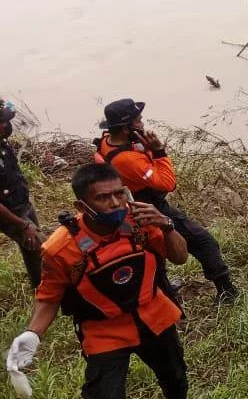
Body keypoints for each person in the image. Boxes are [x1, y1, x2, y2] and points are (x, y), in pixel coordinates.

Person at [4, 163, 197, 399]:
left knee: (176, 377)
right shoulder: (60, 248)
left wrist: (166, 225)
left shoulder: (140, 223)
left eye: (120, 193)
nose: (116, 203)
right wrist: (31, 334)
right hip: (104, 333)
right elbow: (49, 296)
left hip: (155, 316)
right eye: (104, 198)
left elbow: (179, 258)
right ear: (82, 206)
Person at [94, 98, 239, 304]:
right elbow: (167, 183)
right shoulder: (128, 160)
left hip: (131, 207)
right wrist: (158, 150)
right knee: (203, 242)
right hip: (150, 207)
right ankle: (227, 291)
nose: (143, 124)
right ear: (127, 128)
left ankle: (165, 292)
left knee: (153, 254)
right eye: (138, 120)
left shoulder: (106, 141)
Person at [0, 99, 42, 288]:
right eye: (2, 122)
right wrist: (23, 225)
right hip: (10, 214)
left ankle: (41, 285)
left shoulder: (2, 142)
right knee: (40, 248)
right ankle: (44, 292)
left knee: (35, 249)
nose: (6, 125)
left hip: (21, 205)